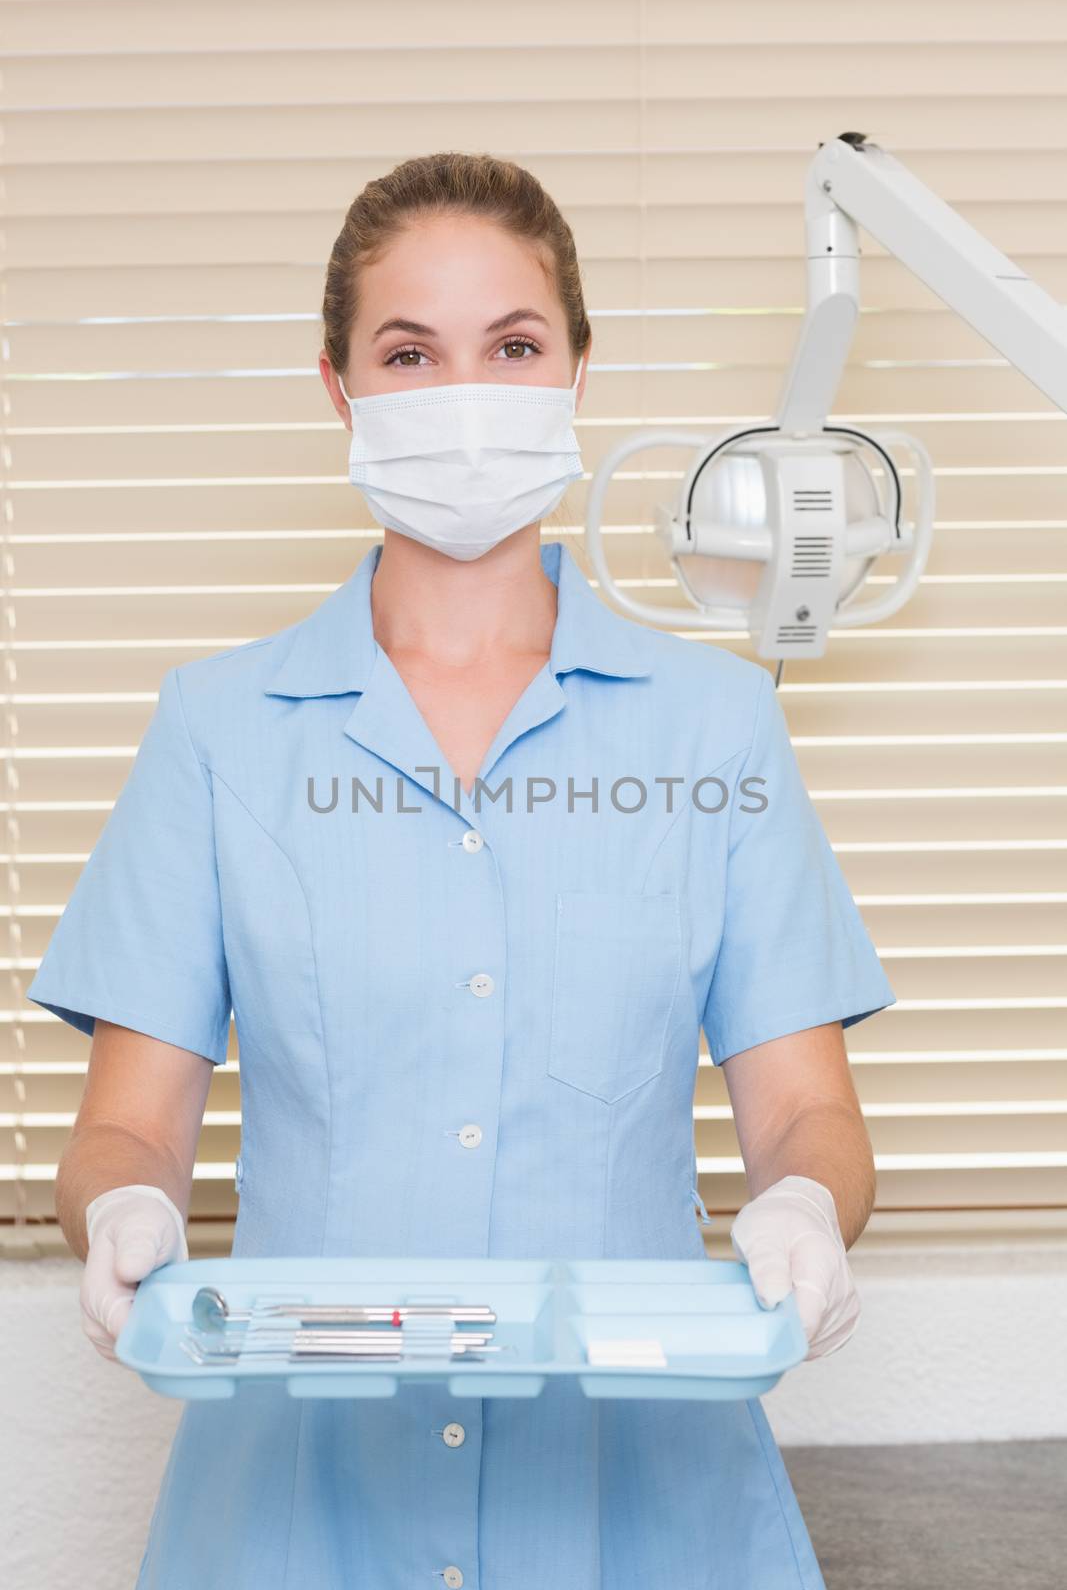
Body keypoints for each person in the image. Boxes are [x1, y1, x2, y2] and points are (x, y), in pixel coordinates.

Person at [28, 151, 896, 1590]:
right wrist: (122, 1213)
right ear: (339, 389)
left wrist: (802, 1209)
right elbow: (127, 1133)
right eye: (409, 352)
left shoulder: (713, 726)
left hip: (644, 1506)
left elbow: (807, 1112)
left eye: (510, 345)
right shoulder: (219, 731)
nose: (464, 393)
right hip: (299, 1515)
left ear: (573, 372)